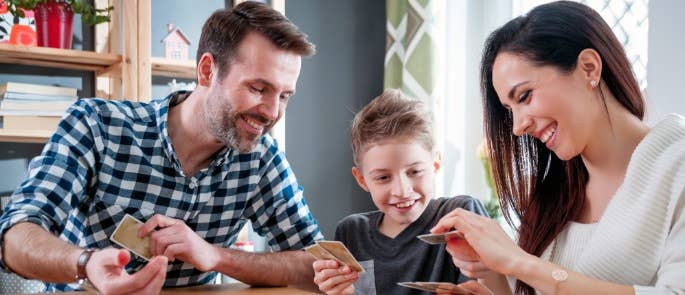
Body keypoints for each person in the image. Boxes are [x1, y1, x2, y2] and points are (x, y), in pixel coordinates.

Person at [0, 2, 324, 293]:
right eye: (258, 88)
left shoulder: (260, 157)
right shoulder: (97, 125)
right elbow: (13, 238)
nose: (271, 112)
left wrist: (215, 256)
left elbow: (319, 264)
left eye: (284, 96)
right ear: (208, 70)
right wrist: (87, 263)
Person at [431, 1, 685, 294]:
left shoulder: (675, 162)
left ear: (589, 68)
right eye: (509, 109)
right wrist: (491, 272)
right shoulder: (554, 193)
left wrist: (518, 262)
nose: (517, 127)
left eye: (524, 96)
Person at [312, 89, 488, 294]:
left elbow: (488, 287)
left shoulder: (460, 216)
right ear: (362, 179)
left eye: (415, 171)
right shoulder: (351, 232)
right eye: (383, 177)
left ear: (435, 164)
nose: (403, 190)